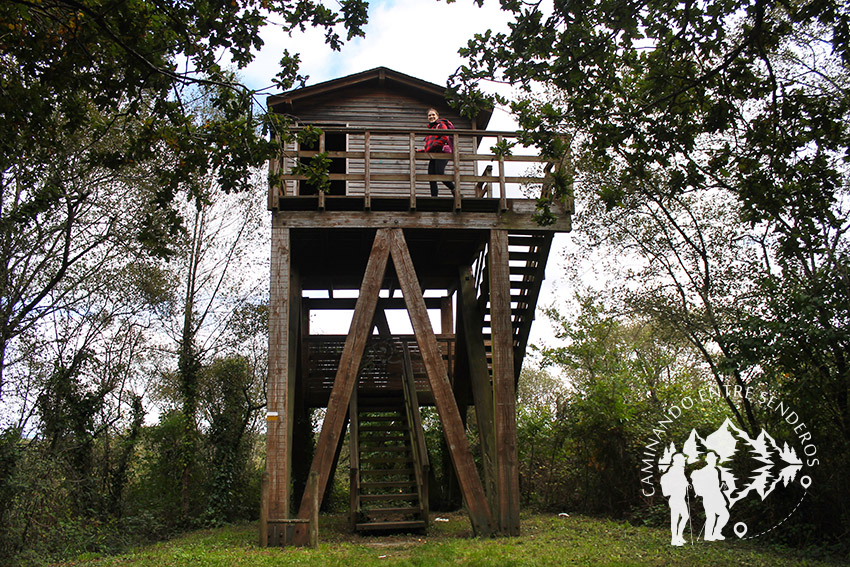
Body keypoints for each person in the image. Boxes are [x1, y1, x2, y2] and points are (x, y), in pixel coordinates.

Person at [690, 451, 730, 541]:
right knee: (711, 516)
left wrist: (722, 485)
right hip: (709, 496)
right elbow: (708, 485)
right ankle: (709, 535)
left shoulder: (716, 470)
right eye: (711, 459)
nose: (714, 461)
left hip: (717, 496)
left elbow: (716, 485)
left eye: (714, 459)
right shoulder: (705, 471)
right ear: (707, 460)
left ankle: (716, 533)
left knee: (724, 515)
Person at [417, 108, 456, 197]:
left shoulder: (440, 125)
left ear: (437, 116)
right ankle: (434, 197)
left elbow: (445, 138)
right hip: (434, 154)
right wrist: (419, 151)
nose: (431, 117)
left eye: (433, 115)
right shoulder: (430, 130)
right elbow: (428, 148)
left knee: (440, 173)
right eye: (429, 115)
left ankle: (454, 190)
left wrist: (433, 145)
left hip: (442, 152)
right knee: (431, 176)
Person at [660, 453, 690, 546]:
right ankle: (674, 539)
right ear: (677, 461)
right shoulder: (673, 470)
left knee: (685, 516)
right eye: (682, 460)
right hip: (675, 498)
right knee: (675, 519)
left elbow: (683, 481)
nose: (684, 461)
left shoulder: (680, 470)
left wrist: (686, 484)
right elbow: (674, 482)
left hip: (681, 498)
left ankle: (679, 536)